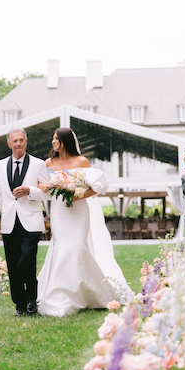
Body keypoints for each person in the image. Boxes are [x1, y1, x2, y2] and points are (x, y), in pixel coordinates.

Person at [36, 127, 132, 317]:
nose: (53, 142)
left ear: (65, 141)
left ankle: (87, 291)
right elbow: (39, 183)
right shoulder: (48, 162)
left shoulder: (81, 161)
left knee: (78, 247)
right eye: (52, 139)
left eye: (56, 139)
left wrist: (78, 195)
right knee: (60, 247)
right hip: (59, 211)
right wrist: (47, 185)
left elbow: (96, 187)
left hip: (78, 211)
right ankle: (59, 295)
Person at [0, 127, 48, 316]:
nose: (18, 144)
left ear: (26, 142)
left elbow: (48, 192)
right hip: (9, 223)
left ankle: (31, 299)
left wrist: (30, 190)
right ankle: (20, 304)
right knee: (12, 265)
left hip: (31, 222)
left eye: (21, 140)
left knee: (26, 260)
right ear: (9, 144)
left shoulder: (38, 164)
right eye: (15, 141)